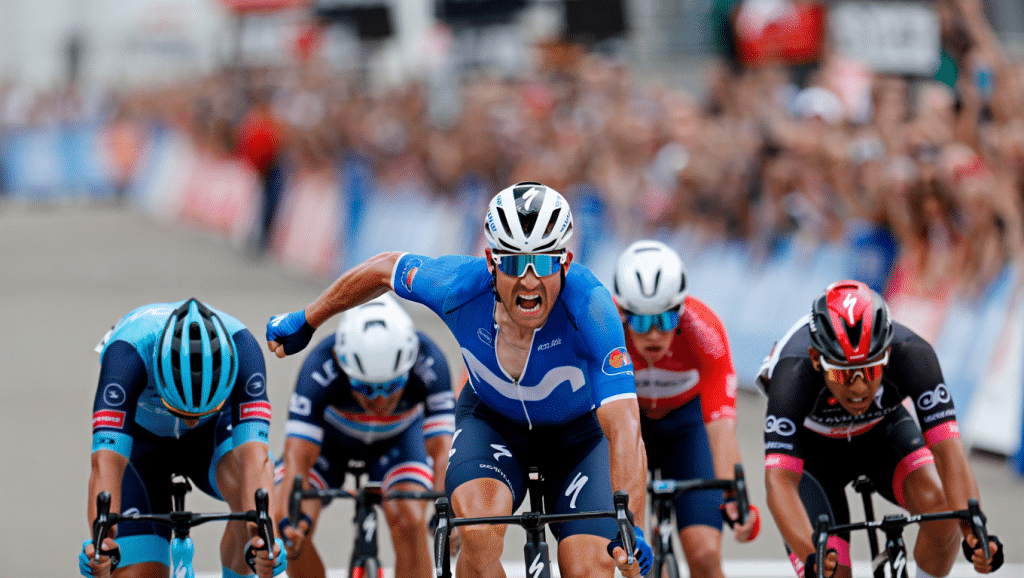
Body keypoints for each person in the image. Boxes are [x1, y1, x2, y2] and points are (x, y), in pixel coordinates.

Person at [265, 182, 653, 578]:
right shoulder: (458, 286)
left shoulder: (592, 308)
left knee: (592, 568)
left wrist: (633, 527)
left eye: (546, 263)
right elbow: (384, 269)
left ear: (567, 263)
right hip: (492, 424)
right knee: (479, 536)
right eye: (515, 264)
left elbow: (624, 426)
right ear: (490, 260)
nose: (531, 281)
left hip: (577, 439)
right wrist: (308, 318)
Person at [757, 280, 1004, 578]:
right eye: (844, 375)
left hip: (882, 435)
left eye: (872, 370)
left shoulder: (913, 354)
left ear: (887, 352)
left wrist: (975, 532)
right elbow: (779, 482)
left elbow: (949, 454)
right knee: (832, 571)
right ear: (816, 360)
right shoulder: (793, 372)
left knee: (942, 510)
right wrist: (811, 555)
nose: (860, 388)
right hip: (814, 454)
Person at [81, 298, 285, 578]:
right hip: (142, 441)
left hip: (211, 435)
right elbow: (106, 464)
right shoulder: (125, 357)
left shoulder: (245, 351)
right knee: (141, 571)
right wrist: (102, 541)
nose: (190, 420)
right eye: (179, 409)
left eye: (201, 411)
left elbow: (256, 459)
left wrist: (263, 539)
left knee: (249, 497)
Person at [272, 293, 455, 578]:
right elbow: (298, 457)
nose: (380, 400)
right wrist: (289, 520)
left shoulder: (430, 360)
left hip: (399, 441)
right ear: (343, 364)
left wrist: (447, 513)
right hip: (331, 445)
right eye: (366, 388)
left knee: (409, 519)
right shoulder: (319, 365)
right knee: (288, 521)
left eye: (392, 386)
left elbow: (442, 450)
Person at [612, 240, 761, 578]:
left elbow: (721, 427)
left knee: (705, 554)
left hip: (686, 429)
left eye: (665, 319)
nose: (653, 333)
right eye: (640, 322)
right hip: (629, 428)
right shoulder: (605, 330)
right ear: (622, 313)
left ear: (680, 310)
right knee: (628, 558)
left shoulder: (704, 330)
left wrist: (735, 495)